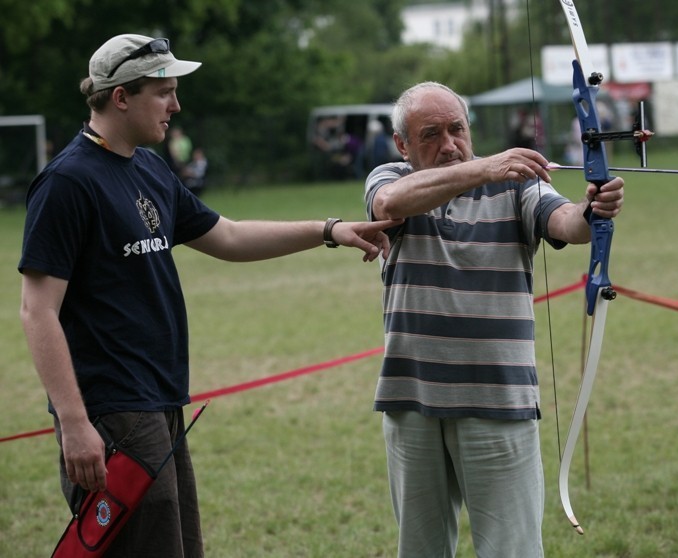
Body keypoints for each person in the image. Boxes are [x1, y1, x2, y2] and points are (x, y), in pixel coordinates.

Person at [18, 33, 399, 558]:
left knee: (175, 545)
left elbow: (229, 237)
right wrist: (75, 423)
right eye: (164, 92)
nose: (176, 105)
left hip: (160, 400)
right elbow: (38, 310)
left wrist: (328, 230)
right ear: (121, 96)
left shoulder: (149, 168)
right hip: (111, 410)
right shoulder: (67, 182)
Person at [364, 81, 624, 558]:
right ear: (403, 145)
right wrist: (484, 167)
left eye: (457, 129)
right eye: (431, 134)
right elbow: (389, 205)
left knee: (512, 549)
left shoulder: (516, 183)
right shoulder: (390, 177)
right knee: (420, 550)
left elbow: (566, 221)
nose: (449, 144)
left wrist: (594, 210)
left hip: (498, 400)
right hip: (411, 398)